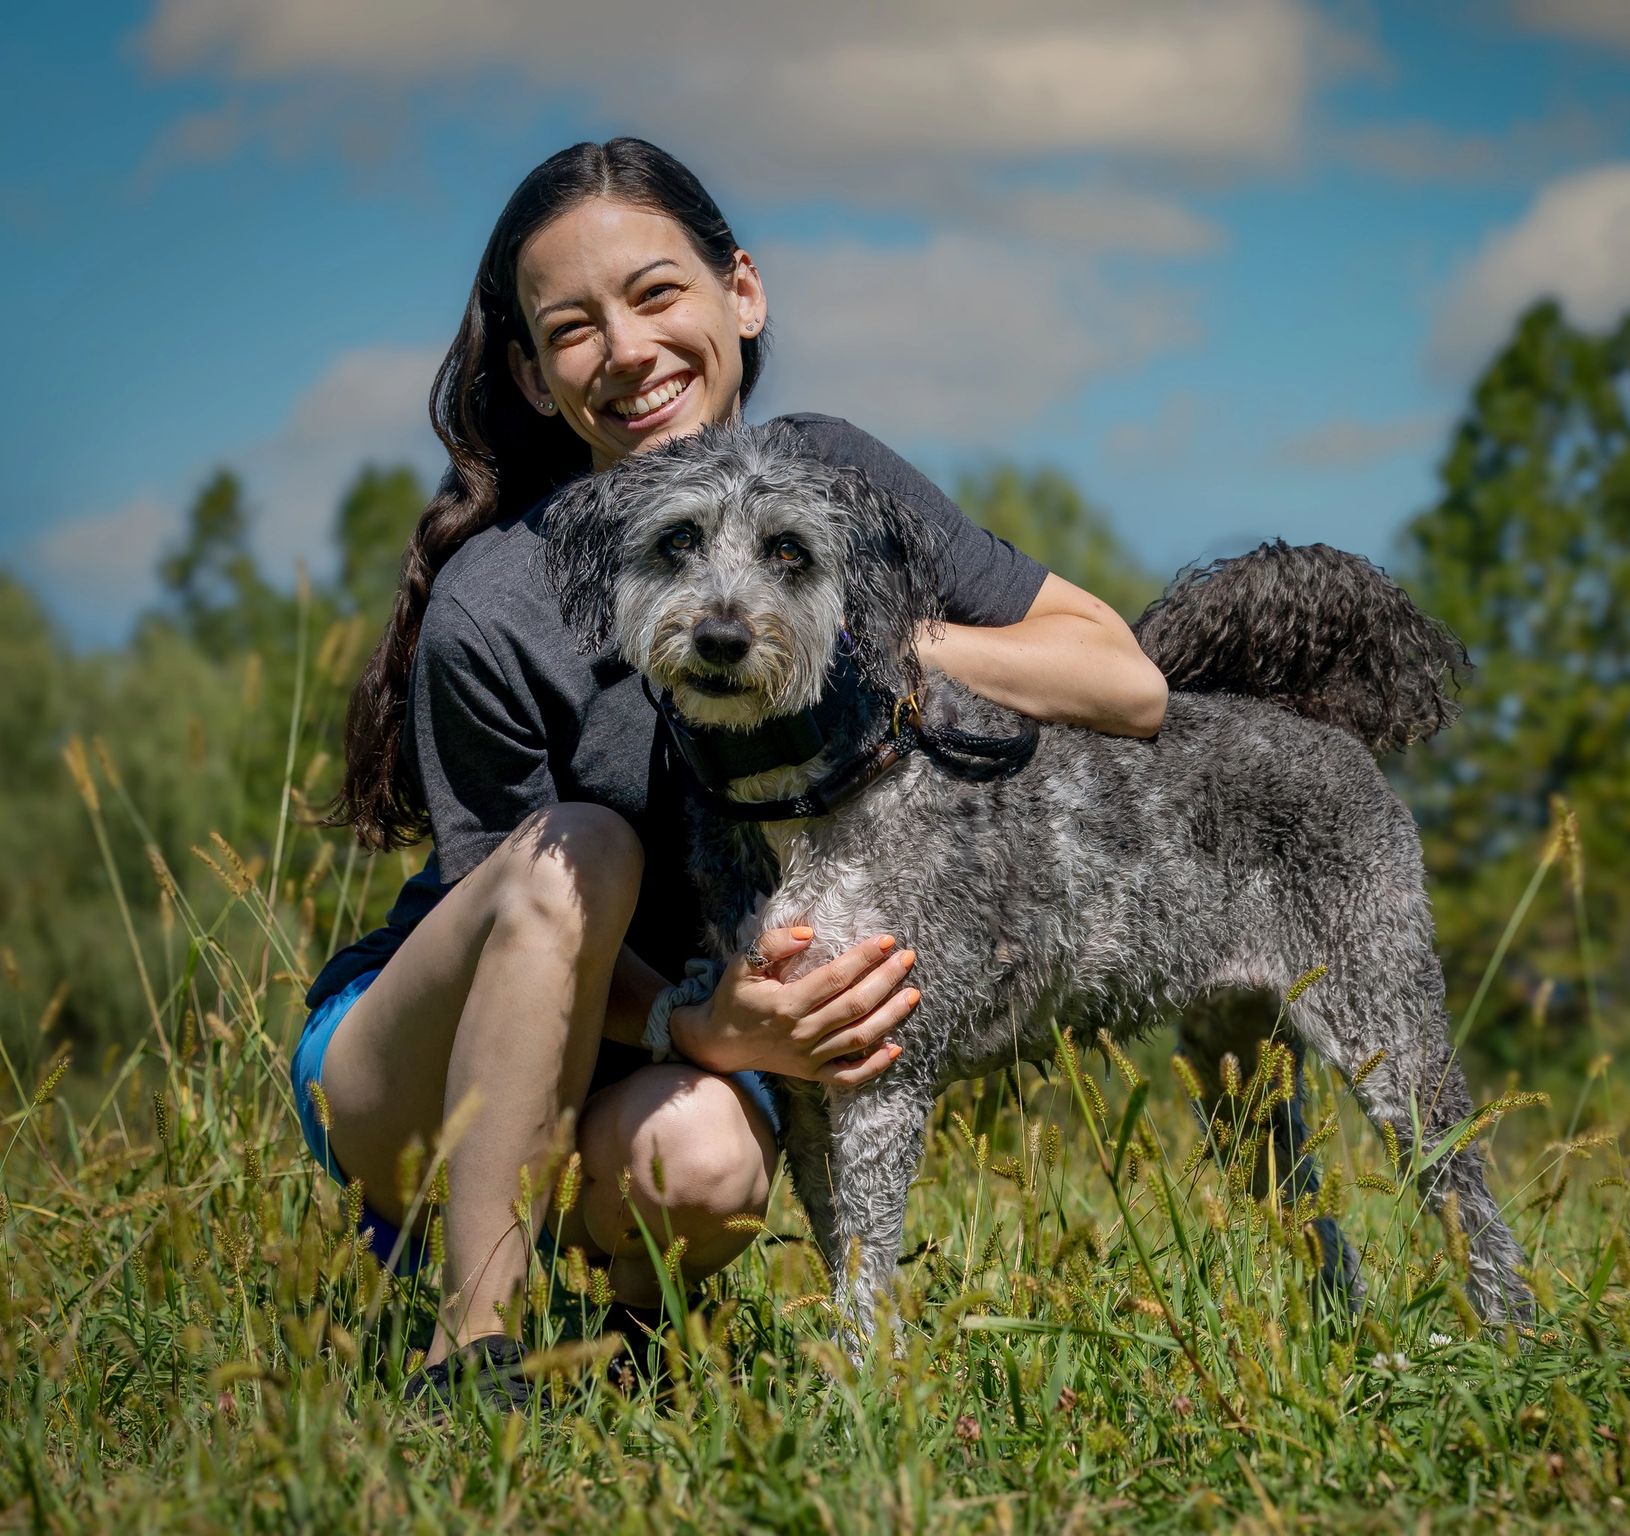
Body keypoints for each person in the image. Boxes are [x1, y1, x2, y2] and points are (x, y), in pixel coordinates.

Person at [293, 137, 1168, 1403]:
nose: (629, 350)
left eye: (657, 294)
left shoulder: (835, 484)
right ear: (536, 381)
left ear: (740, 293)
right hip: (420, 1079)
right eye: (573, 329)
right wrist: (687, 1020)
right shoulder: (501, 600)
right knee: (585, 854)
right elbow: (513, 926)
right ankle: (467, 1364)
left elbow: (1123, 681)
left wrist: (857, 635)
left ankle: (629, 1366)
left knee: (707, 1159)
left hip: (663, 1071)